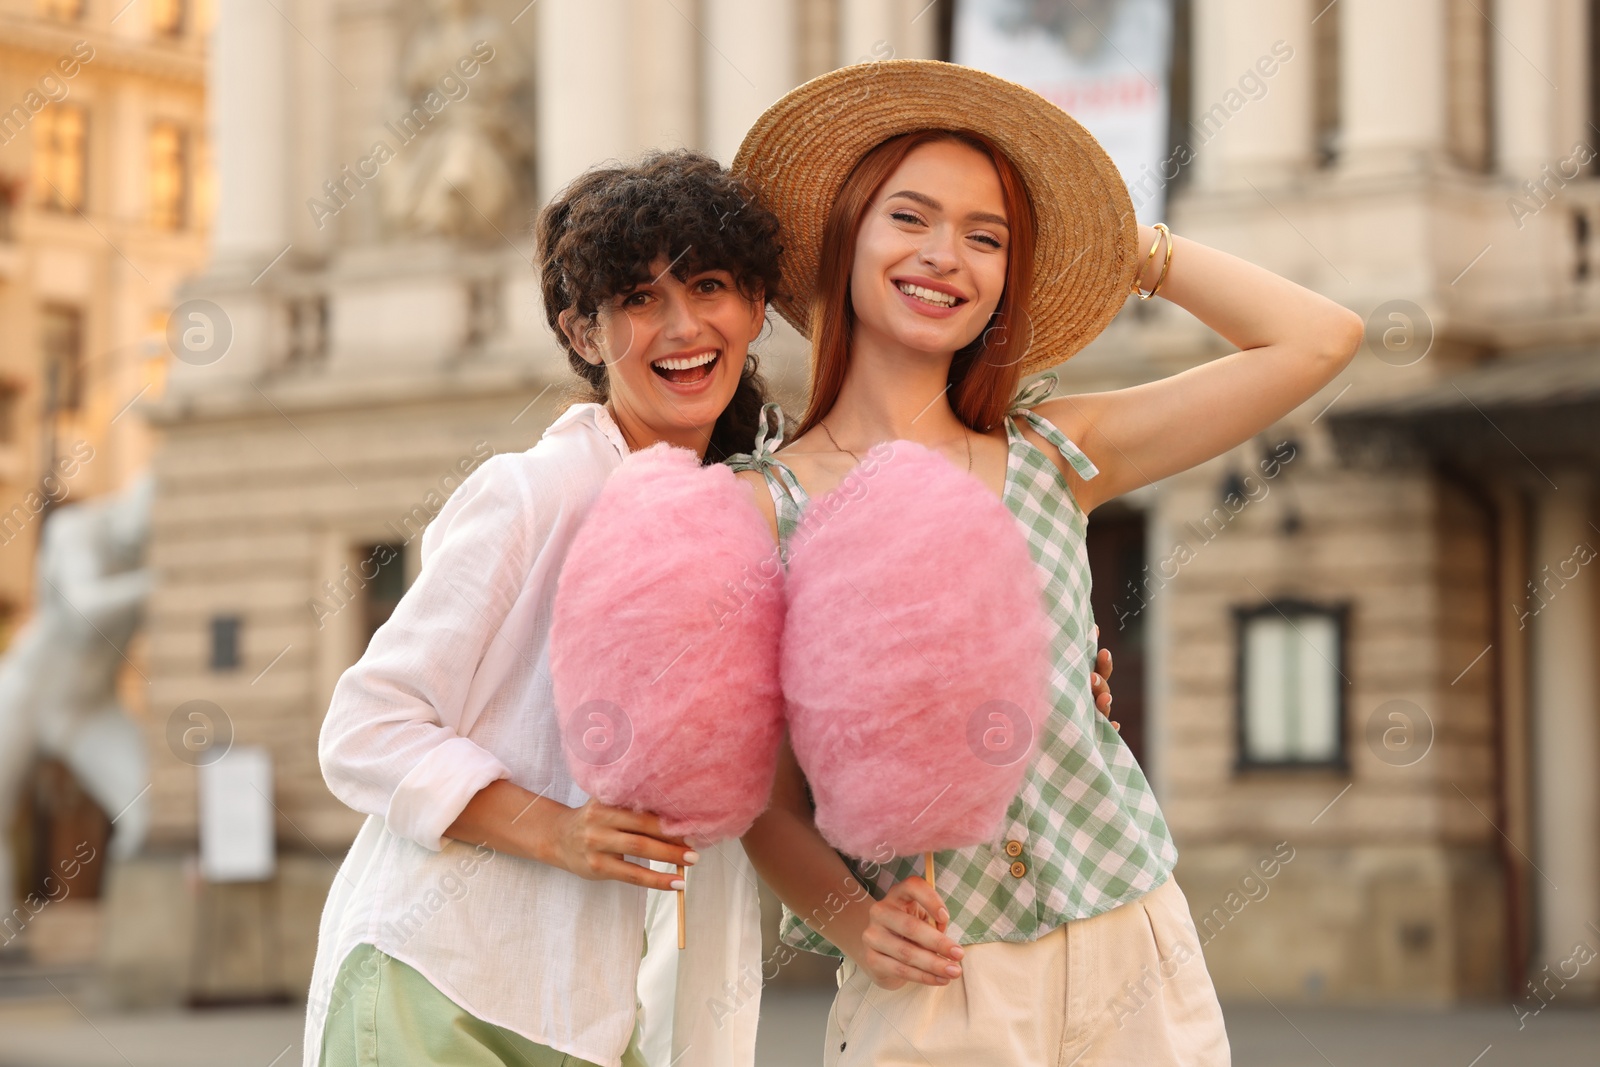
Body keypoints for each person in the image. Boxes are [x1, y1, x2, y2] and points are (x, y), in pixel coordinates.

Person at [731, 61, 1363, 1066]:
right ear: (844, 235)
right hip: (943, 980)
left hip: (1132, 939)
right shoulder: (763, 506)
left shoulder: (1054, 455)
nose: (947, 256)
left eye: (988, 239)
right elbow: (762, 798)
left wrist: (1136, 248)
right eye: (910, 217)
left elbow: (1320, 339)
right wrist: (854, 920)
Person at [303, 149, 781, 1067]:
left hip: (598, 1018)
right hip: (442, 984)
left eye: (711, 285)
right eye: (640, 298)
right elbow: (364, 727)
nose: (683, 326)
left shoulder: (752, 520)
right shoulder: (534, 493)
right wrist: (556, 829)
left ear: (756, 306)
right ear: (585, 331)